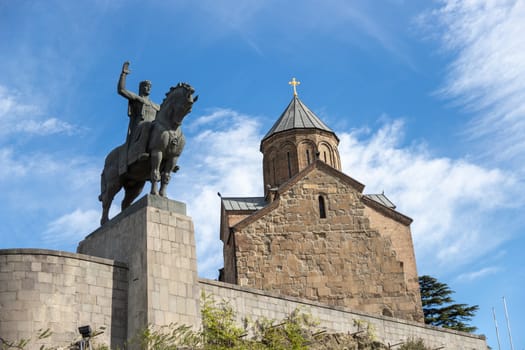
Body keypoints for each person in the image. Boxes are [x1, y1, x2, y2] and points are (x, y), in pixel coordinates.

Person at [117, 61, 160, 173]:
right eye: (146, 86)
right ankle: (141, 152)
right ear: (141, 88)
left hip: (153, 127)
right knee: (147, 125)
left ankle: (169, 159)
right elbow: (121, 90)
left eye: (150, 86)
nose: (148, 88)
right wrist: (124, 74)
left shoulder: (156, 106)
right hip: (139, 128)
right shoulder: (137, 98)